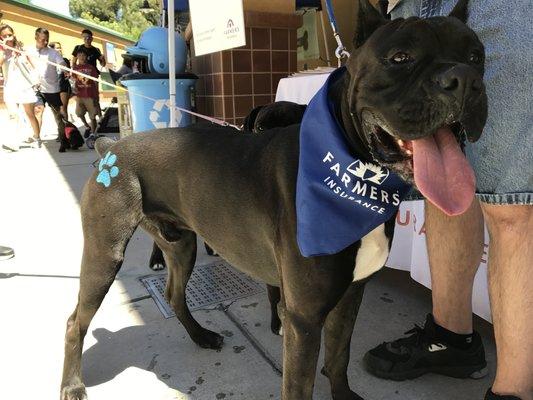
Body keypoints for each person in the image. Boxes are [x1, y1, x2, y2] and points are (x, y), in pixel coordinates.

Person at [362, 2, 532, 400]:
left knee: (513, 206)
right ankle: (451, 340)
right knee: (441, 190)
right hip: (411, 3)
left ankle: (514, 392)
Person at [26, 28, 68, 152]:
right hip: (36, 87)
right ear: (36, 38)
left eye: (46, 40)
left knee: (58, 116)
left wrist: (64, 68)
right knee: (38, 111)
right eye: (42, 40)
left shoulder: (53, 53)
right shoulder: (28, 50)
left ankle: (63, 139)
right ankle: (37, 138)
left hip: (52, 88)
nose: (45, 42)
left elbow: (61, 63)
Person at [0, 24, 41, 151]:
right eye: (4, 35)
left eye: (10, 35)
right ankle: (14, 143)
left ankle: (37, 138)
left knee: (30, 114)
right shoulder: (2, 50)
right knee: (13, 115)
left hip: (24, 85)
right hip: (10, 87)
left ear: (14, 34)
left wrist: (37, 77)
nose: (8, 37)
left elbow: (32, 64)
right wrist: (4, 49)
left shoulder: (21, 48)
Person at [71, 29, 106, 118]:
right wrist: (74, 75)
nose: (86, 39)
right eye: (84, 37)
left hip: (93, 77)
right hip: (80, 77)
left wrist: (103, 58)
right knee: (81, 97)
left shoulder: (96, 50)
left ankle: (100, 117)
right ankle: (87, 118)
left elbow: (103, 64)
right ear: (82, 38)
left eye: (88, 37)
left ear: (92, 38)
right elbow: (74, 62)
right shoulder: (78, 48)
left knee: (95, 97)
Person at [72, 48, 98, 135]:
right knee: (79, 113)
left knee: (92, 115)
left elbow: (95, 81)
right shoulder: (75, 68)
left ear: (86, 57)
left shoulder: (91, 68)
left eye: (83, 55)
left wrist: (96, 94)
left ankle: (93, 134)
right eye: (79, 55)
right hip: (80, 95)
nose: (82, 57)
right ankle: (87, 126)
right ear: (77, 57)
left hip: (90, 94)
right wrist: (74, 89)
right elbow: (73, 80)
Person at [48, 42, 71, 121]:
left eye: (60, 47)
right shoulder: (49, 61)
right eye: (57, 48)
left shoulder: (64, 60)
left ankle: (67, 129)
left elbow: (67, 72)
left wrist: (67, 73)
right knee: (56, 111)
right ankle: (61, 129)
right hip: (53, 88)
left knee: (63, 109)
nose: (59, 49)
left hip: (63, 86)